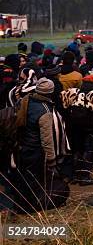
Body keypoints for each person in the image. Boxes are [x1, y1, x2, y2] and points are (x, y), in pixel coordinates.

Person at [11, 78, 71, 213]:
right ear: (50, 93)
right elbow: (47, 140)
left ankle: (19, 205)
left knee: (23, 179)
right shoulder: (45, 111)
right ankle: (29, 208)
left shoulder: (26, 100)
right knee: (34, 181)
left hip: (22, 148)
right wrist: (51, 159)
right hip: (35, 151)